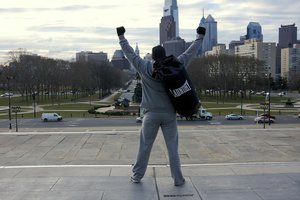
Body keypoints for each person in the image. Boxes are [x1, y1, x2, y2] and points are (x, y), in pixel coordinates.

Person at [116, 26, 205, 186]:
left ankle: (137, 176)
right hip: (169, 114)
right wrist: (200, 36)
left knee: (144, 147)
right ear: (165, 56)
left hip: (150, 114)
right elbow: (190, 52)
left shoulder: (145, 67)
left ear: (152, 57)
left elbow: (130, 54)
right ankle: (178, 180)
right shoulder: (176, 64)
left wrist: (122, 37)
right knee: (172, 149)